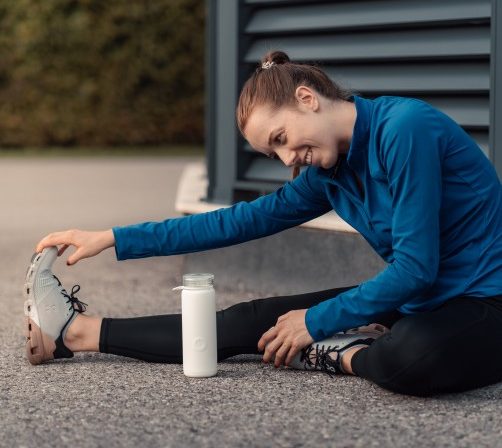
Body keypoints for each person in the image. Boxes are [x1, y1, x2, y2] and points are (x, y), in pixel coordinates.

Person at [26, 50, 502, 397]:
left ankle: (343, 353)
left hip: (485, 300)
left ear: (307, 98)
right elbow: (235, 223)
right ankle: (74, 334)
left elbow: (417, 267)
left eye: (282, 138)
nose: (288, 158)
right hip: (420, 298)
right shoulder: (327, 174)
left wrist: (317, 324)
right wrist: (111, 237)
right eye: (273, 152)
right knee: (253, 320)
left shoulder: (404, 129)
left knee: (410, 358)